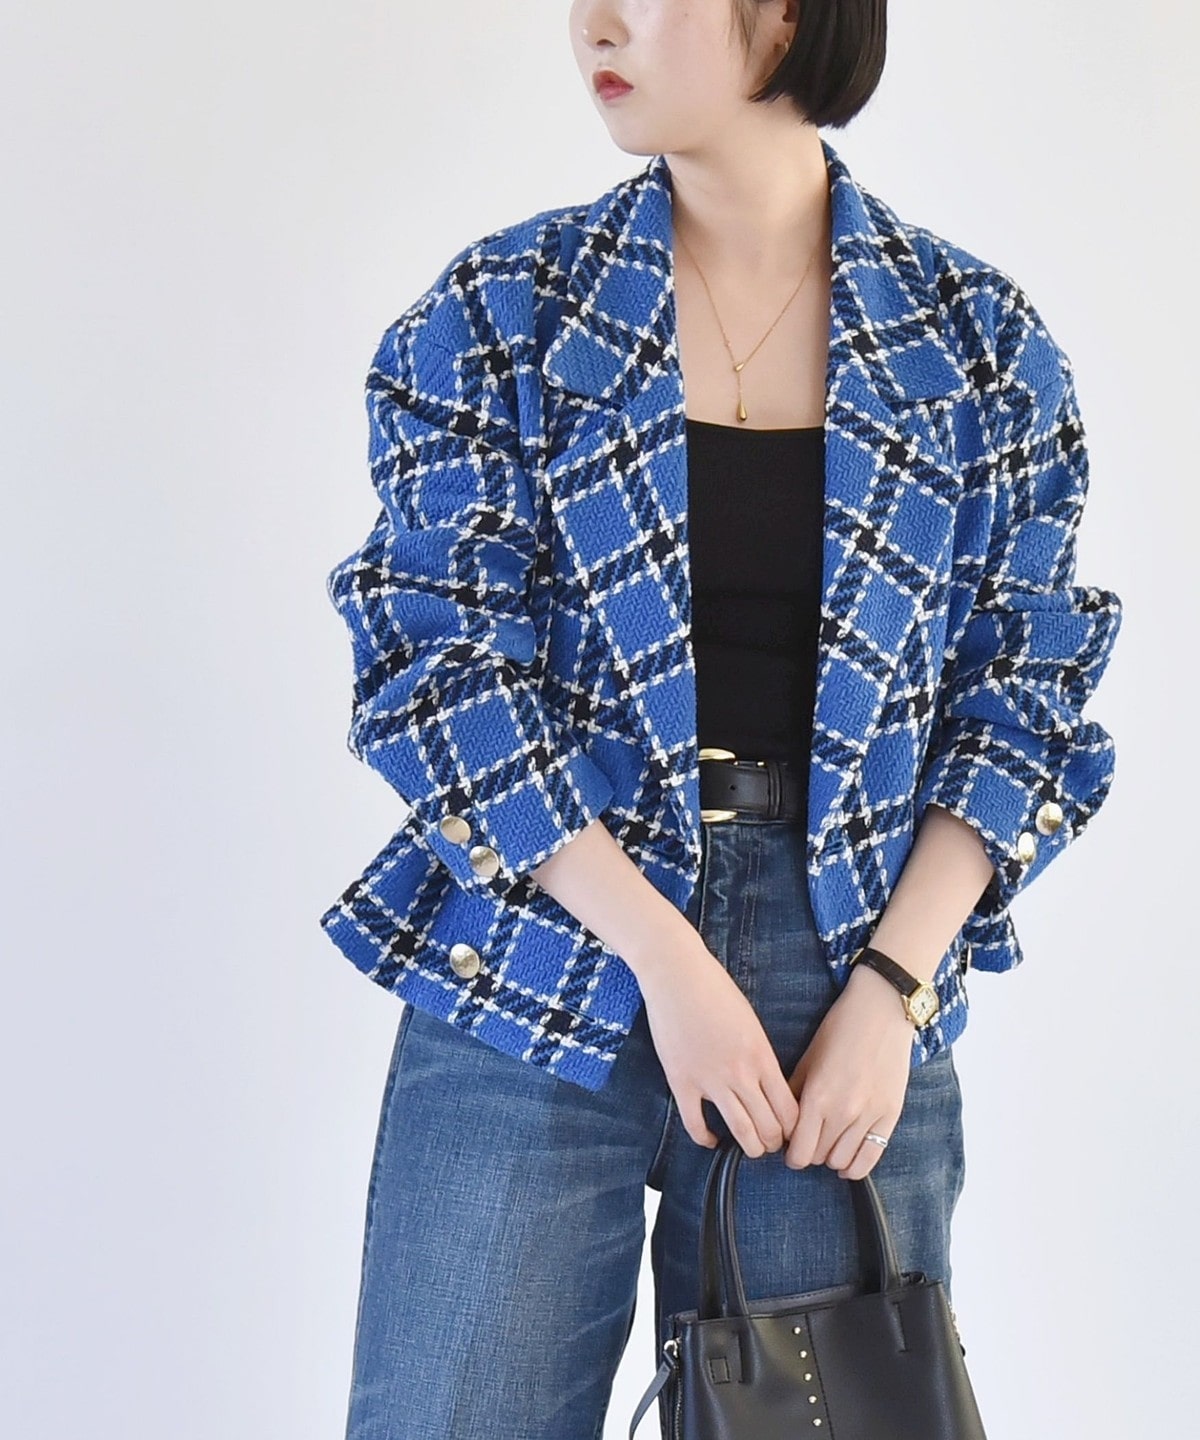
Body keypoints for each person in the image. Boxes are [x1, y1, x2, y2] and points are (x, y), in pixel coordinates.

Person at [320, 3, 1123, 1436]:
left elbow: (1025, 693)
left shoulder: (978, 345)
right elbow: (437, 665)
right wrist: (665, 958)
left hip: (851, 958)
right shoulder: (504, 316)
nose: (598, 21)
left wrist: (893, 990)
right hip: (547, 934)